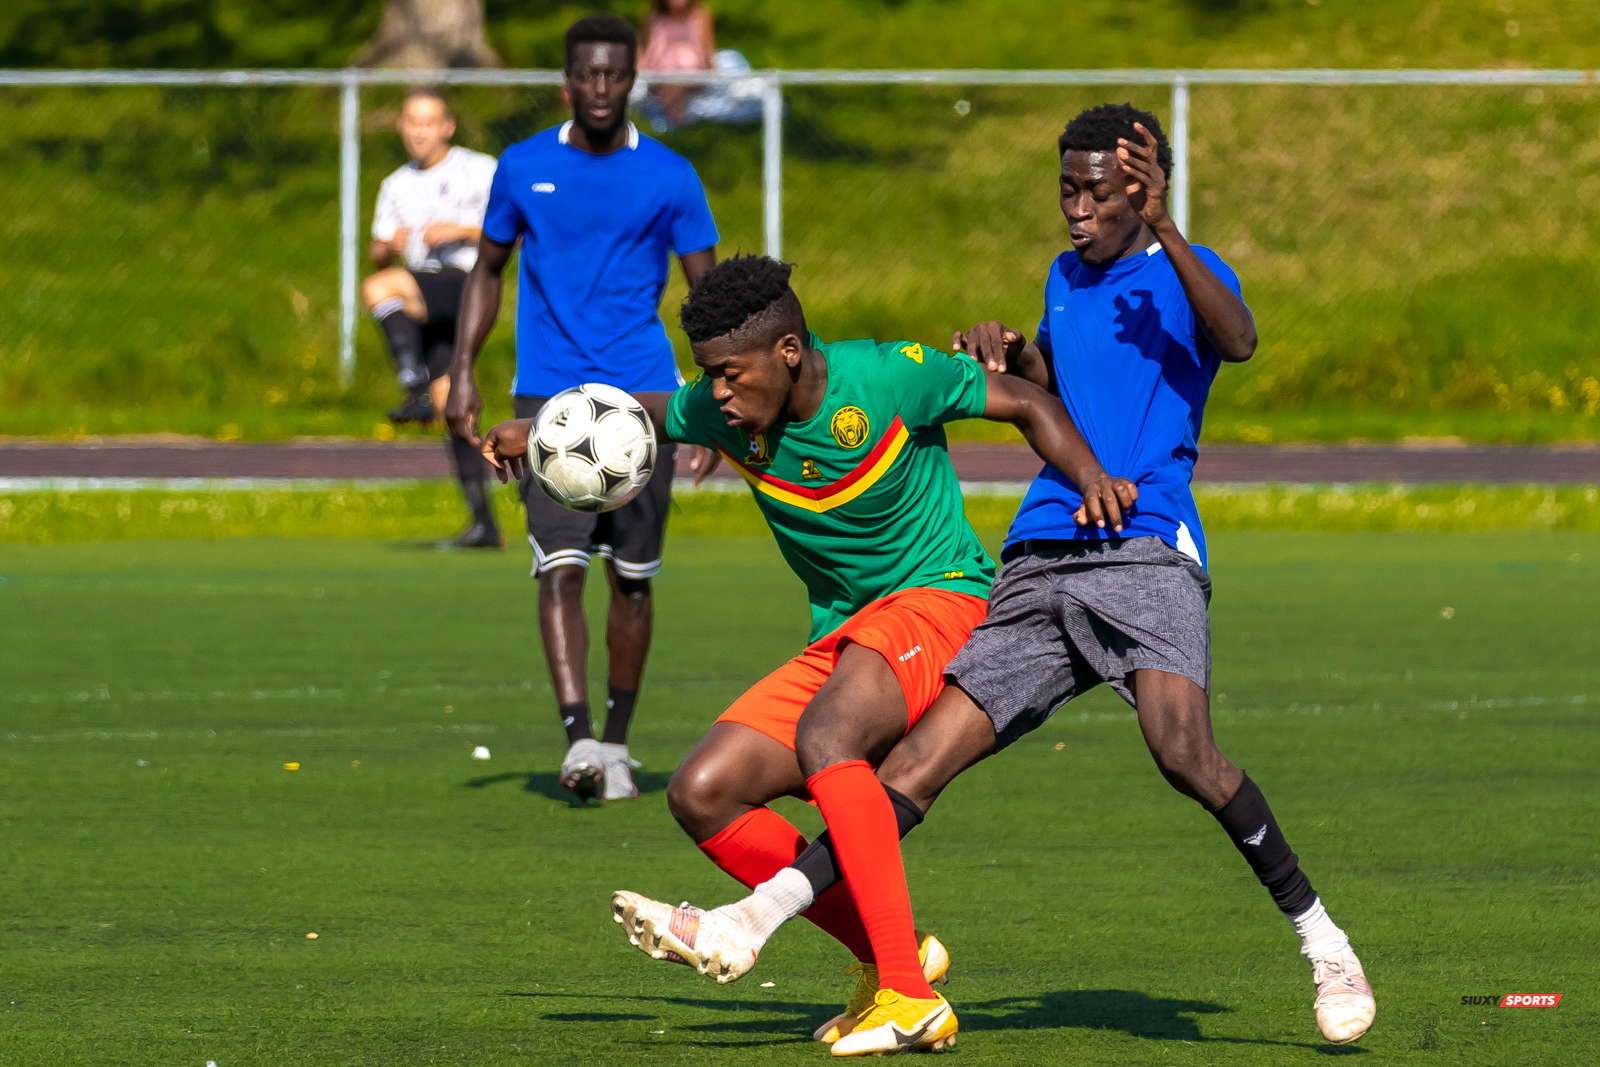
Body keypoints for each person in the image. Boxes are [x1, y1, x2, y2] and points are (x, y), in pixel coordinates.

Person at [613, 105, 1378, 1050]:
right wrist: (1020, 355)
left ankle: (1325, 942)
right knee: (911, 769)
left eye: (1101, 191)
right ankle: (777, 928)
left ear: (1144, 189)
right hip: (1041, 555)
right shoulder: (1064, 276)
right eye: (1069, 189)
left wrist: (1170, 228)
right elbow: (1061, 392)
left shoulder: (1180, 268)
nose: (1078, 208)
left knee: (1183, 753)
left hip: (1143, 543)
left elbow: (1241, 337)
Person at [481, 254, 1135, 1056]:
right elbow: (652, 411)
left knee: (829, 738)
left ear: (788, 352)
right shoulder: (724, 409)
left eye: (729, 374)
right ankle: (889, 954)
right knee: (701, 790)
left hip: (944, 598)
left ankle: (907, 996)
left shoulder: (890, 375)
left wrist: (1093, 480)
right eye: (708, 377)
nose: (717, 394)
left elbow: (1026, 402)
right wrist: (541, 427)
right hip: (846, 636)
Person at [445, 14, 720, 802]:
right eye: (587, 76)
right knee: (559, 567)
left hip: (644, 402)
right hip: (549, 403)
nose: (601, 88)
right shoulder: (523, 166)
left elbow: (709, 296)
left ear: (633, 79)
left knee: (632, 579)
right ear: (568, 82)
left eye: (615, 75)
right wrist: (463, 371)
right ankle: (581, 744)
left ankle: (620, 741)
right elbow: (487, 270)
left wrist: (706, 410)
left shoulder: (670, 175)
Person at [363, 87, 502, 548]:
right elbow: (379, 256)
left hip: (466, 282)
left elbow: (513, 231)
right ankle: (484, 524)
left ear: (448, 127)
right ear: (401, 127)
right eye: (411, 122)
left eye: (428, 123)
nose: (419, 132)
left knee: (377, 290)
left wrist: (460, 229)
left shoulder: (479, 169)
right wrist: (388, 246)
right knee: (453, 407)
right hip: (422, 294)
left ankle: (411, 383)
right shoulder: (395, 183)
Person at [638, 0, 715, 127]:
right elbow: (646, 49)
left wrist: (712, 75)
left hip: (690, 70)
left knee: (679, 82)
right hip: (660, 70)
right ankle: (677, 123)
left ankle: (668, 123)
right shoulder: (652, 17)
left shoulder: (700, 15)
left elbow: (706, 48)